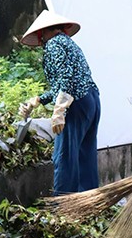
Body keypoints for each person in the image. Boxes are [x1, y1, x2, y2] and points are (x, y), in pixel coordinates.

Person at [18, 10, 101, 195]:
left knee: (64, 155)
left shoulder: (53, 44)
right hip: (91, 100)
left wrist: (60, 110)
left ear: (43, 32)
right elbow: (66, 81)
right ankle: (89, 202)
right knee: (84, 155)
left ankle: (63, 205)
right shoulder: (69, 43)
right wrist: (39, 100)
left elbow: (66, 78)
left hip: (76, 104)